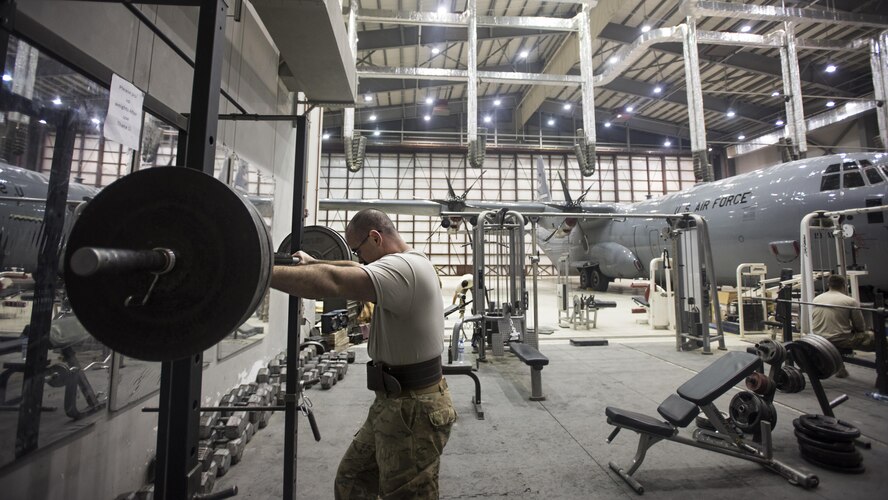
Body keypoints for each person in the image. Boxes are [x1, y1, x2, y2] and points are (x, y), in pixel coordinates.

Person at [271, 208, 457, 499]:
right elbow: (351, 268)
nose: (359, 258)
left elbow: (335, 281)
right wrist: (315, 261)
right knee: (353, 481)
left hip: (413, 409)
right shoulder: (409, 261)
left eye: (359, 250)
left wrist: (259, 272)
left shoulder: (405, 270)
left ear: (375, 237)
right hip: (392, 402)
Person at [811, 274, 876, 378]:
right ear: (844, 285)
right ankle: (882, 374)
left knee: (839, 333)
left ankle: (840, 369)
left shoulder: (817, 299)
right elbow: (860, 326)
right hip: (839, 340)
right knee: (879, 340)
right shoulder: (850, 301)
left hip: (819, 338)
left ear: (829, 285)